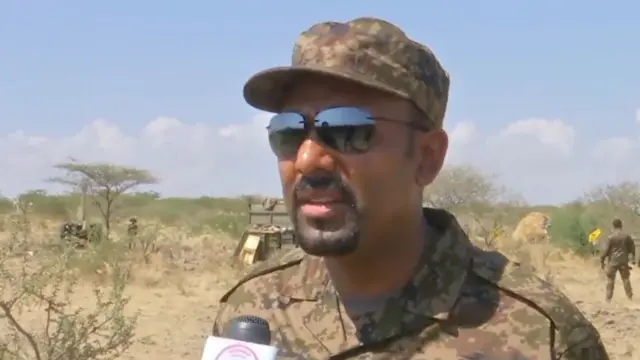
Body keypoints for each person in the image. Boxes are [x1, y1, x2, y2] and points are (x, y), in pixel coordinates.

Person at [213, 17, 609, 358]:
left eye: (348, 130)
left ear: (427, 158)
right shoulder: (251, 310)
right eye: (288, 132)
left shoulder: (543, 337)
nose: (307, 160)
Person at [600, 218, 635, 302]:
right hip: (623, 261)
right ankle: (630, 298)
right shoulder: (627, 236)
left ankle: (608, 299)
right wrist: (632, 258)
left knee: (610, 280)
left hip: (613, 261)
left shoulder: (611, 237)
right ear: (621, 226)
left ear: (613, 226)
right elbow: (632, 248)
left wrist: (602, 260)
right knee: (626, 279)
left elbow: (606, 251)